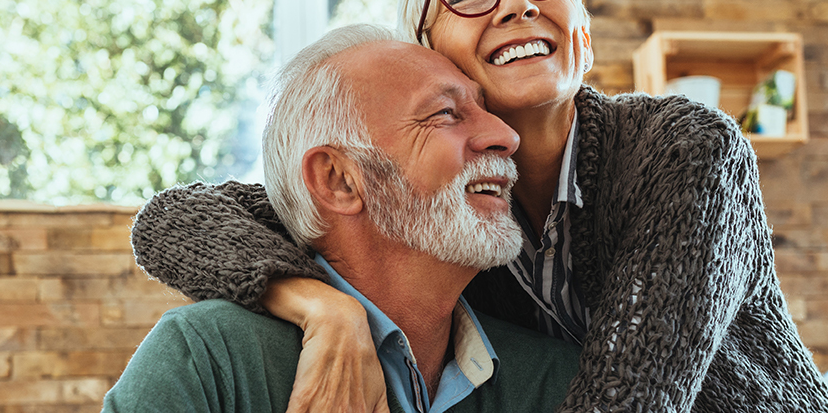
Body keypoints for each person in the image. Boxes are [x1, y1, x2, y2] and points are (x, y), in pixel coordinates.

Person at [130, 0, 828, 413]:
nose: (516, 6)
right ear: (429, 53)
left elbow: (632, 399)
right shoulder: (447, 207)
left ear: (585, 39)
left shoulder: (684, 152)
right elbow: (178, 218)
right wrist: (324, 307)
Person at [104, 24, 581, 413]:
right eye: (445, 113)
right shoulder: (209, 361)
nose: (504, 135)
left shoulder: (556, 381)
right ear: (338, 180)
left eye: (486, 109)